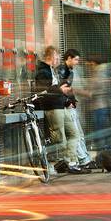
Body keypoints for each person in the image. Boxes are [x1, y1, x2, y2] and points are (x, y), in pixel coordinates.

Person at [33, 46, 86, 174]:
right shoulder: (42, 72)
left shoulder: (54, 70)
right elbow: (44, 91)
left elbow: (61, 87)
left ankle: (69, 161)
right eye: (57, 56)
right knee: (60, 139)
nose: (58, 59)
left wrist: (69, 100)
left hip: (62, 106)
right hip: (52, 108)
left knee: (75, 134)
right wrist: (60, 90)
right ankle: (65, 163)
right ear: (50, 56)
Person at [58, 49, 95, 167]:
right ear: (69, 58)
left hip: (70, 105)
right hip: (66, 107)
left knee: (79, 133)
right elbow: (62, 89)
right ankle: (82, 159)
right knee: (75, 134)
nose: (77, 62)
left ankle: (84, 158)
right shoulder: (62, 71)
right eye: (76, 59)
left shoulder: (69, 71)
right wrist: (69, 100)